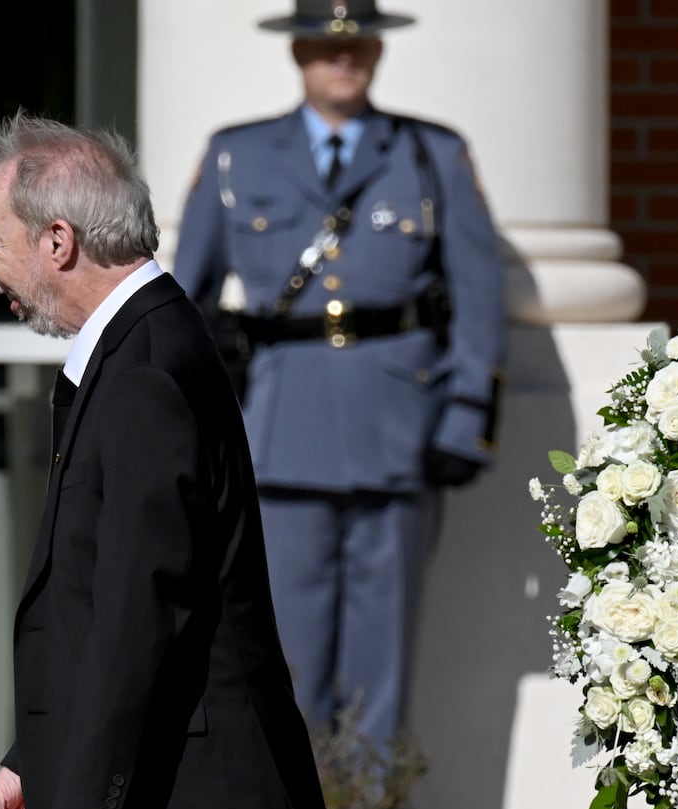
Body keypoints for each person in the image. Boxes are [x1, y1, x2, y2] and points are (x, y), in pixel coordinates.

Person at [0, 113, 332, 809]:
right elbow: (97, 606)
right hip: (140, 806)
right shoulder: (134, 349)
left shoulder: (145, 371)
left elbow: (145, 612)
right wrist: (37, 757)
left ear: (57, 241)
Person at [172, 0, 507, 750]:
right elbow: (183, 305)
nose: (342, 60)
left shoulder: (430, 154)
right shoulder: (238, 155)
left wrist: (464, 416)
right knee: (284, 661)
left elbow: (480, 298)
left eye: (357, 47)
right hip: (279, 435)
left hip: (399, 433)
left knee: (380, 665)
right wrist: (200, 427)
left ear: (379, 55)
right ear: (297, 53)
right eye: (324, 46)